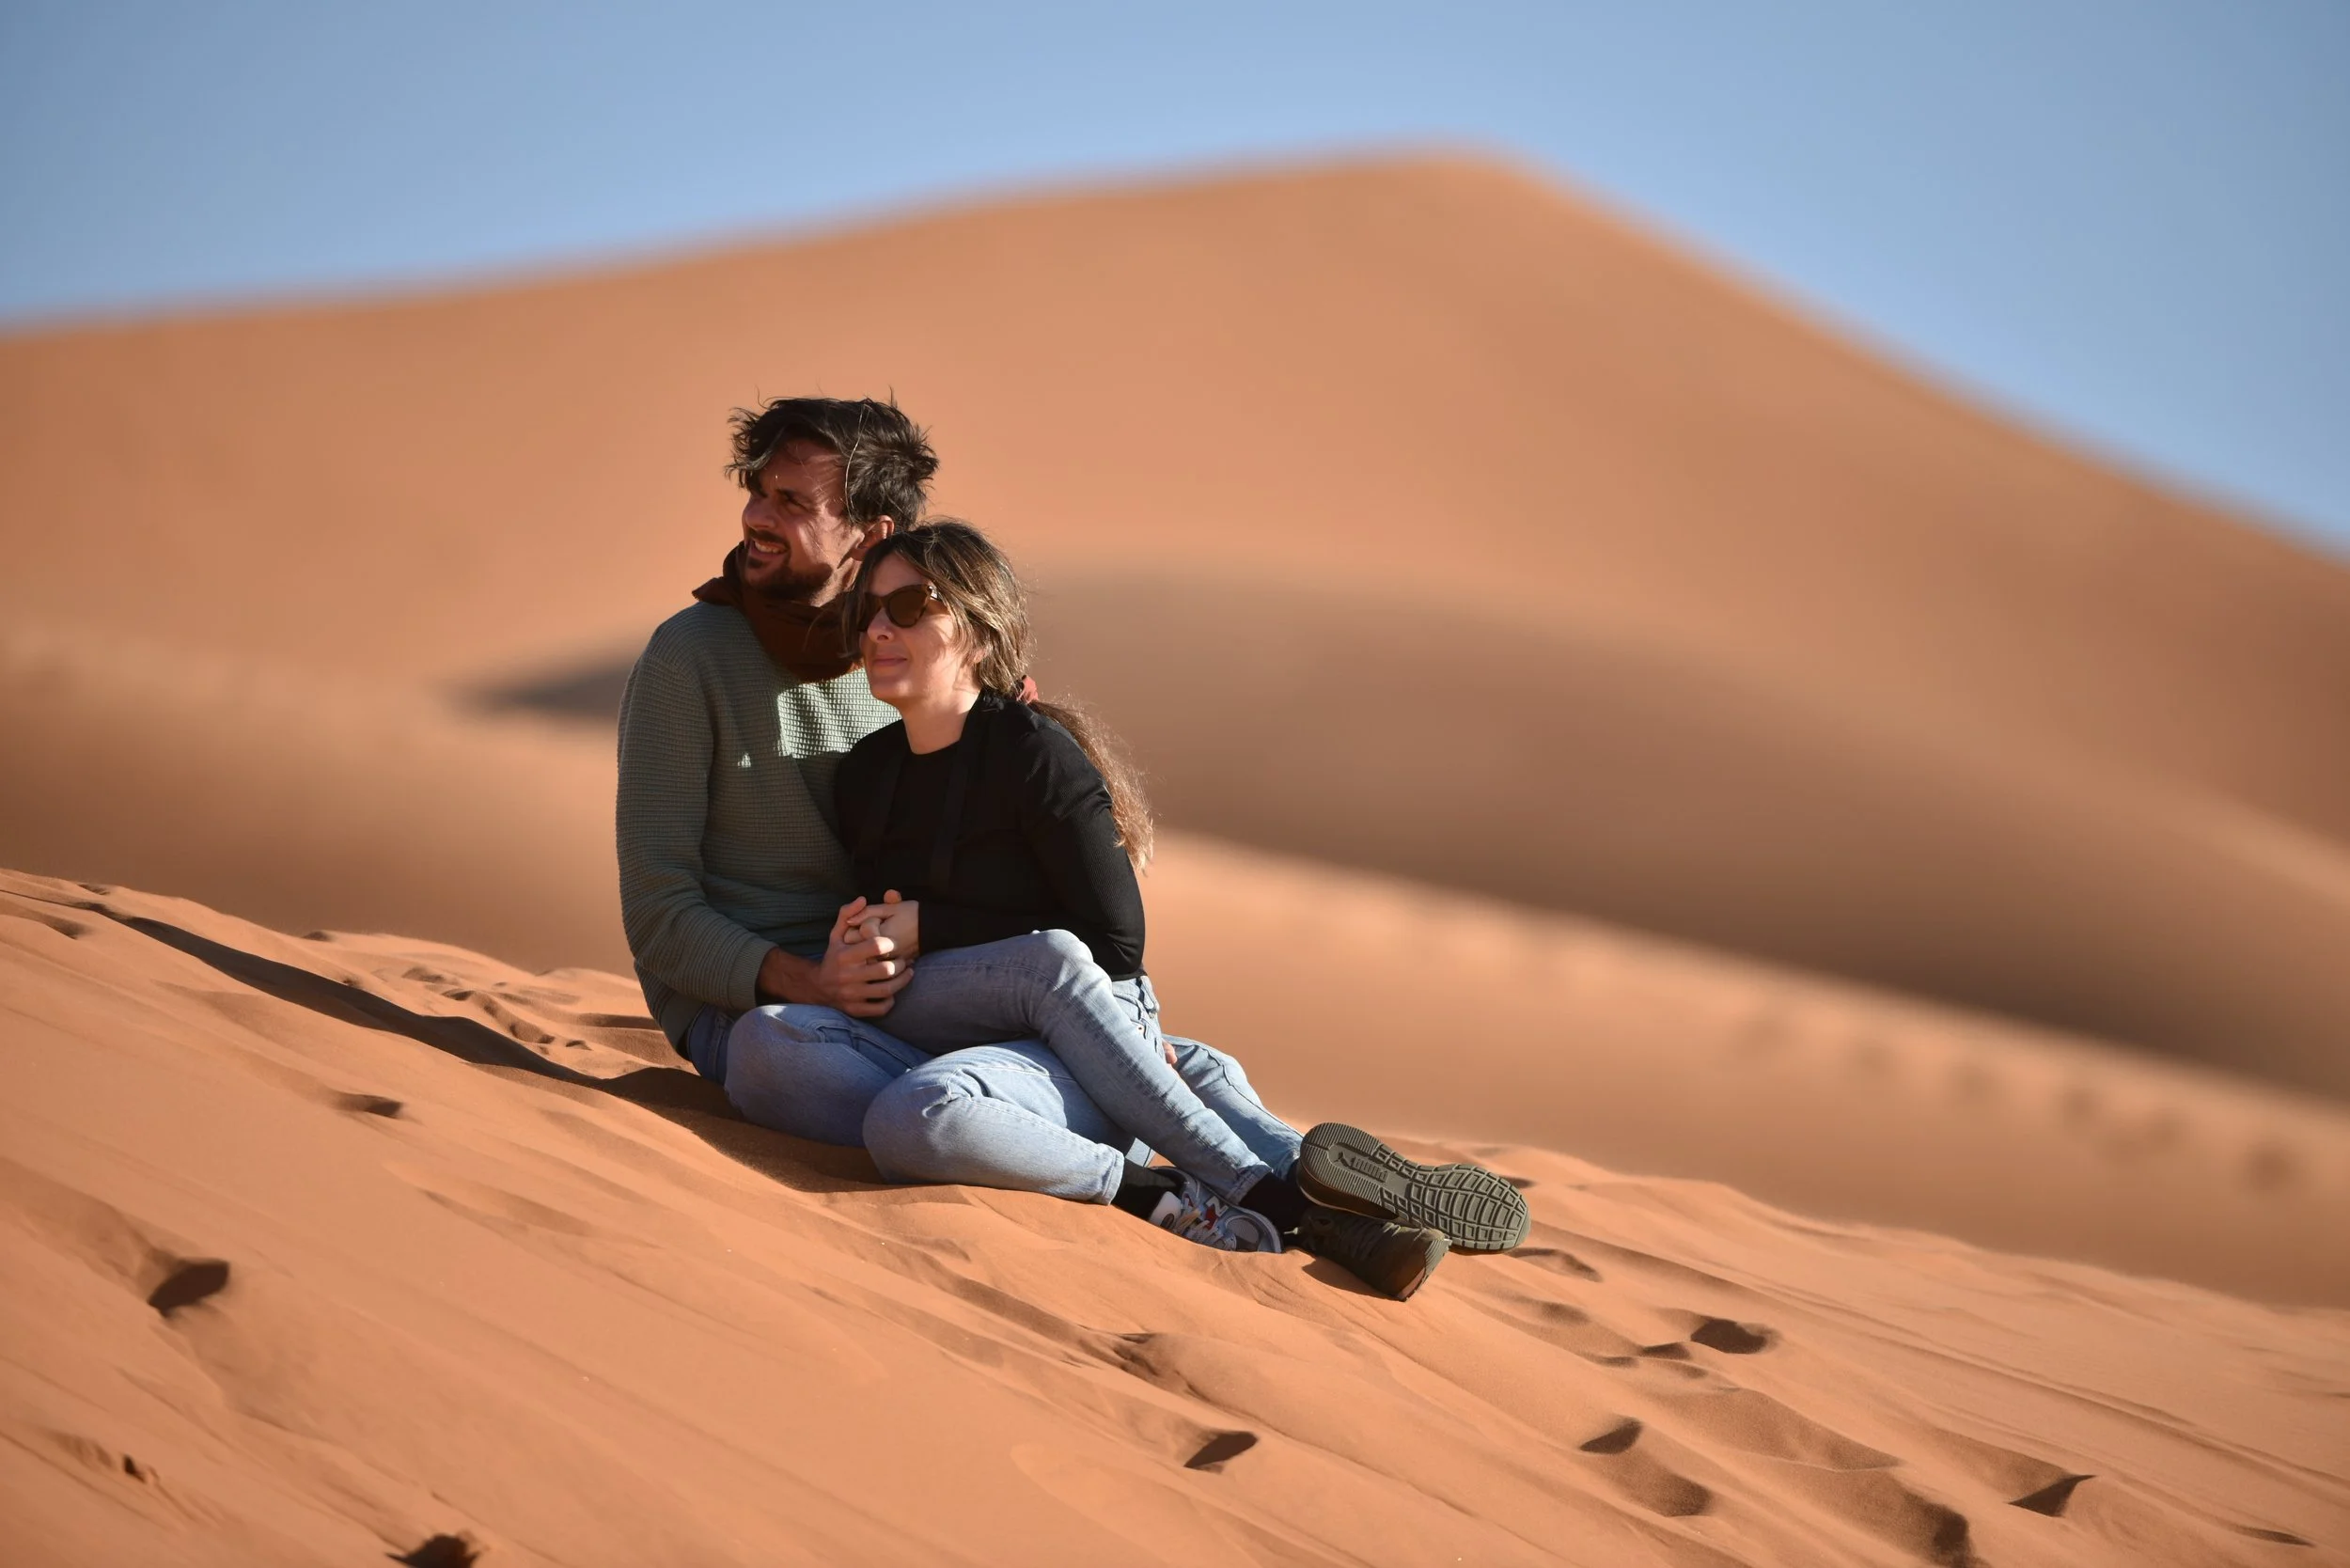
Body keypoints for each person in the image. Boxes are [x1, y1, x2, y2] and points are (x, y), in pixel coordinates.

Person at [615, 398, 1522, 1302]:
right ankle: (1188, 1135)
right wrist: (813, 979)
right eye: (754, 491)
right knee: (789, 1056)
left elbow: (1009, 874)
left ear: (868, 532)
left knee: (987, 1055)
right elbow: (660, 918)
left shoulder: (894, 667)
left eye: (790, 501)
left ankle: (1289, 1186)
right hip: (784, 1009)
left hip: (921, 995)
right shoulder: (689, 659)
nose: (755, 519)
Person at [834, 521, 1530, 1298]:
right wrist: (844, 952)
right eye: (865, 611)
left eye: (907, 604)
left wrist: (935, 927)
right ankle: (1303, 1186)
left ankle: (1275, 1198)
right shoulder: (865, 775)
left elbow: (1115, 939)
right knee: (1173, 1060)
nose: (878, 628)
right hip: (978, 1026)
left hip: (1058, 1006)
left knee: (1042, 984)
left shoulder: (1035, 756)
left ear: (978, 625)